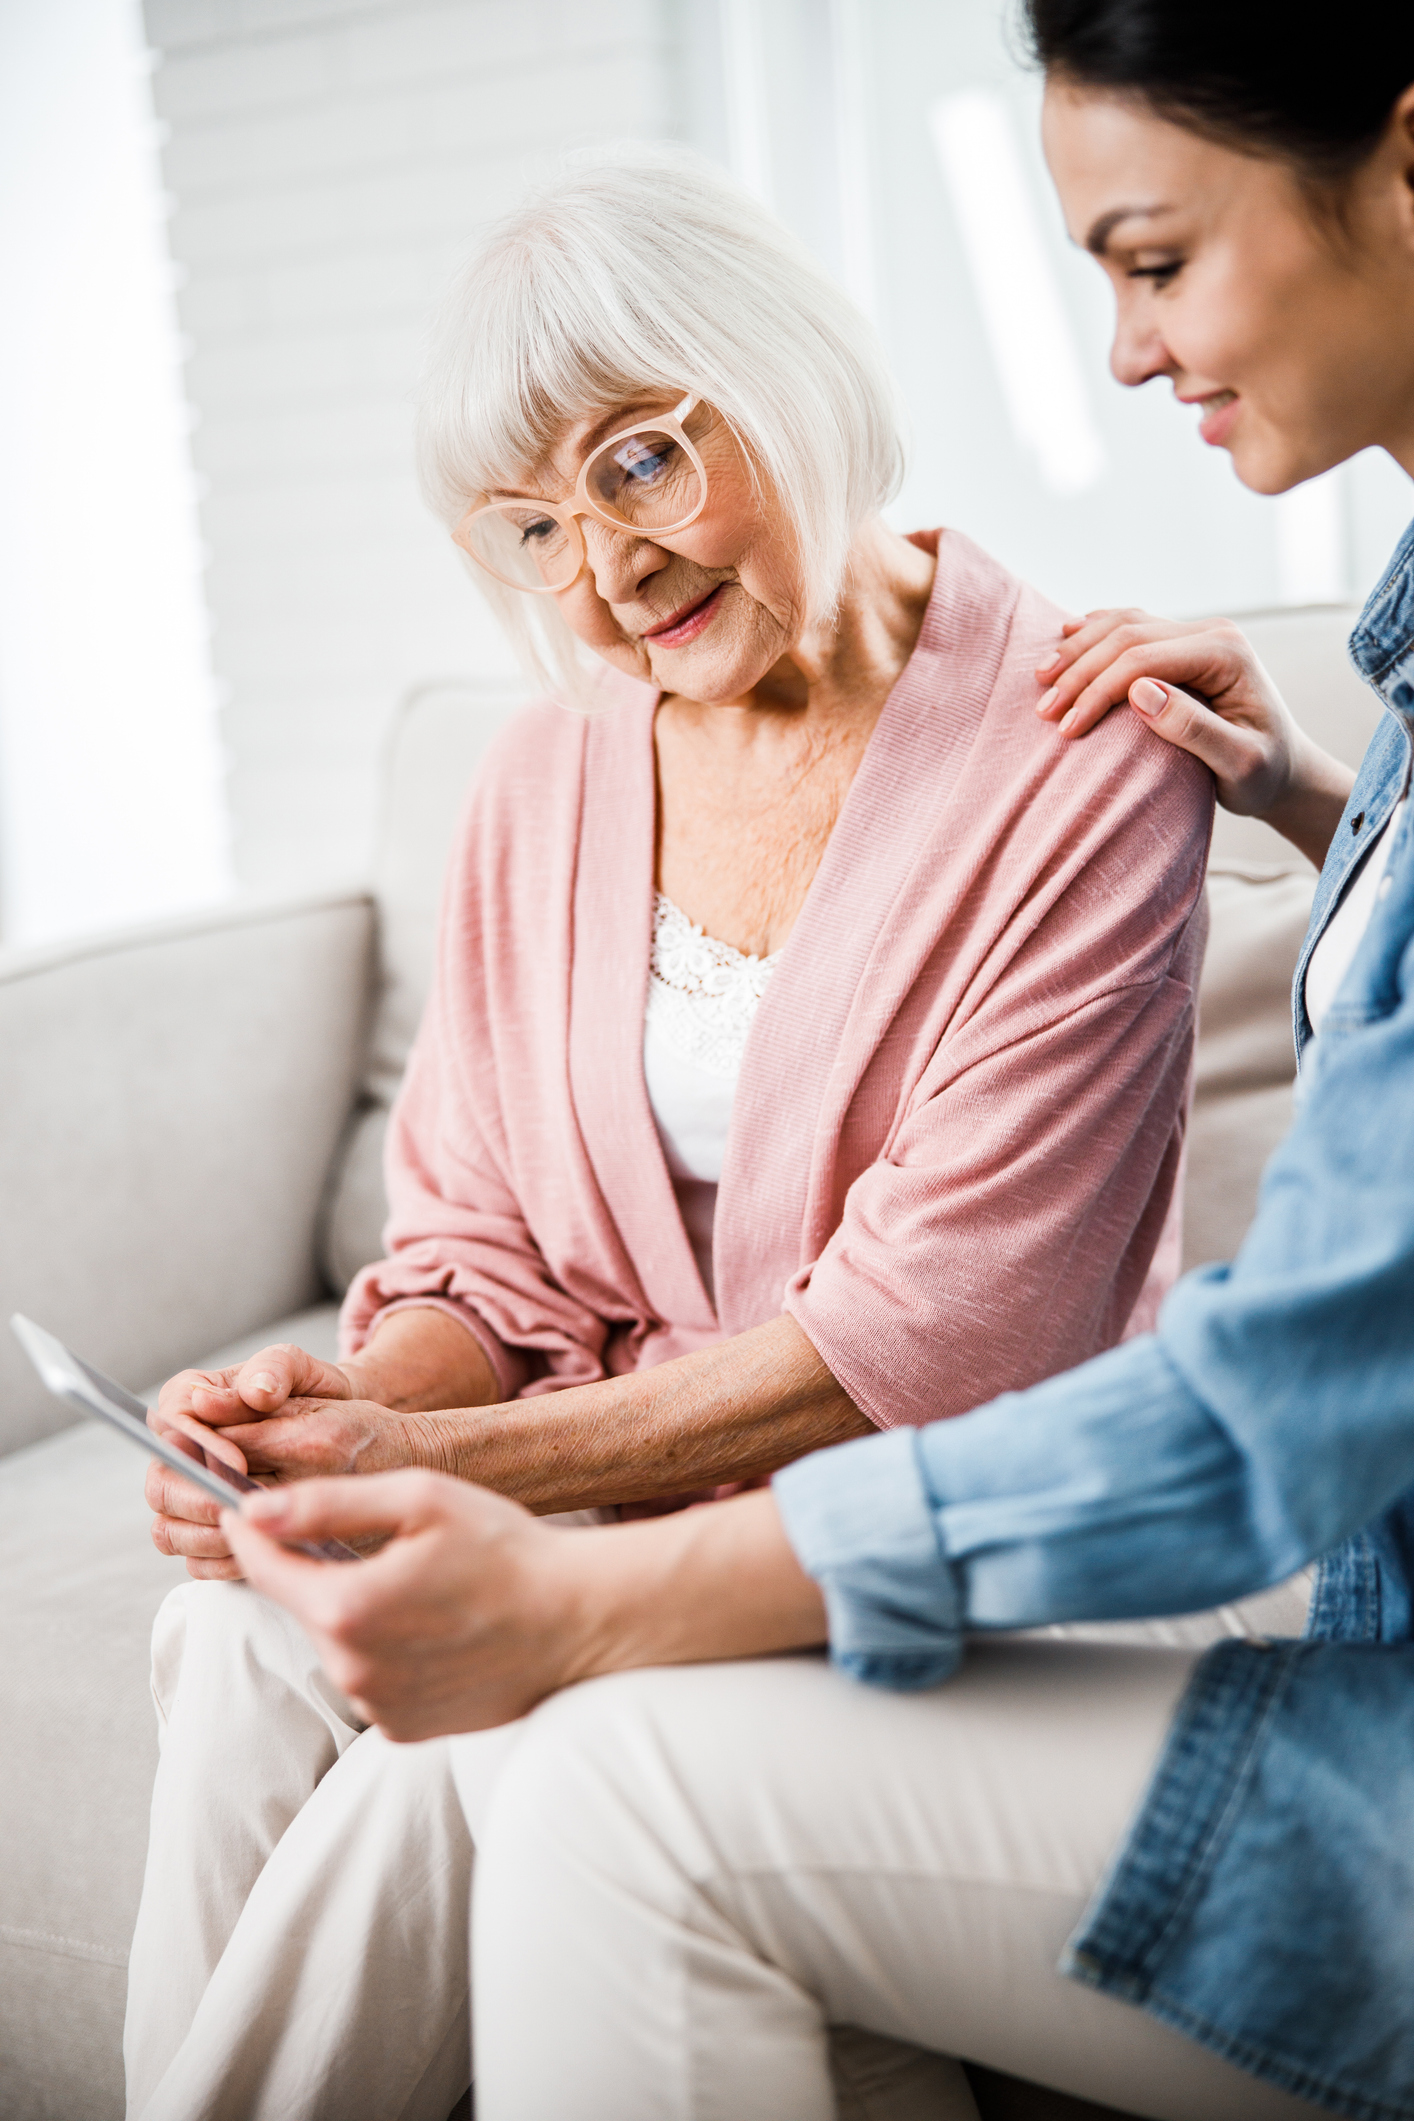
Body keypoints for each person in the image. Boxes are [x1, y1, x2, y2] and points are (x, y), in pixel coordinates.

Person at [219, 8, 1414, 2121]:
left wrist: (507, 1509)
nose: (603, 568)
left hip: (1080, 1577)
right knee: (233, 1638)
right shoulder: (544, 773)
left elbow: (1107, 1373)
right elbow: (480, 1241)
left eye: (643, 456)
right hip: (751, 1482)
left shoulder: (1071, 741)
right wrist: (351, 1410)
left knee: (536, 1744)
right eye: (527, 528)